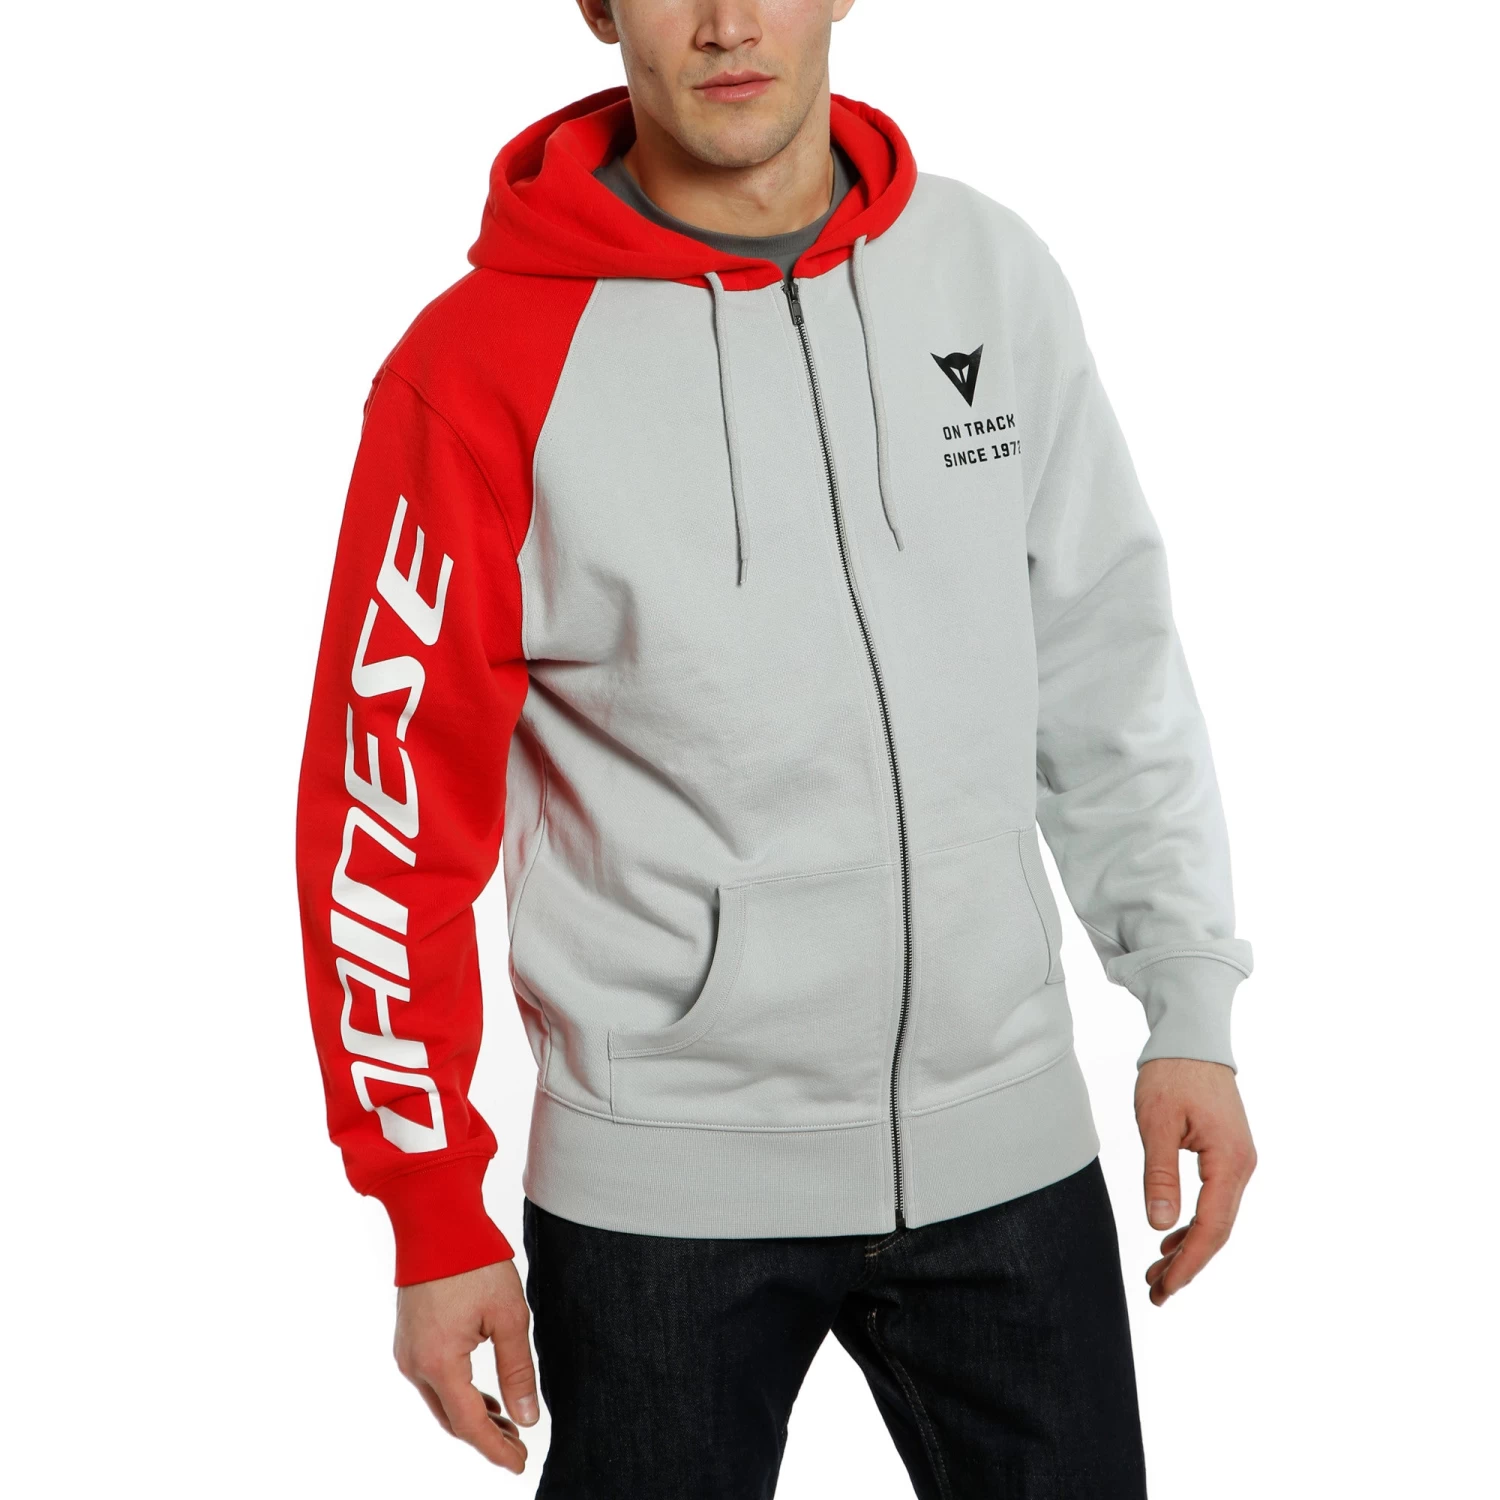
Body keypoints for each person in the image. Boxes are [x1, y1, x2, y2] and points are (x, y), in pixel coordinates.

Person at [294, 1, 1257, 1492]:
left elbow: (1103, 659)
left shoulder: (987, 273)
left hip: (1010, 1153)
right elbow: (388, 813)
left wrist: (1184, 995)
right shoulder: (479, 365)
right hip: (660, 1198)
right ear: (599, 5)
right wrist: (430, 1212)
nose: (730, 22)